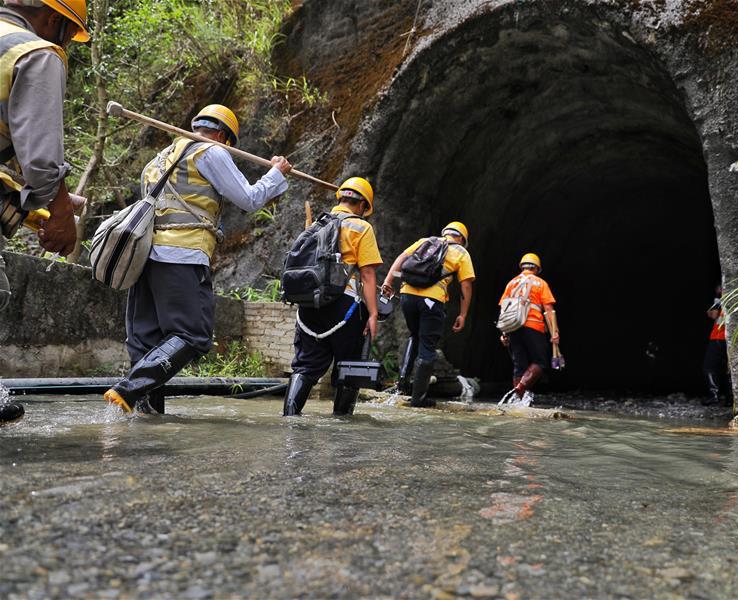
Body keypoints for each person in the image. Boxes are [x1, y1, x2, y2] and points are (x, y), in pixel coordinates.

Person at [104, 105, 293, 414]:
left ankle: (144, 418)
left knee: (146, 342)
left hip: (144, 260)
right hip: (181, 256)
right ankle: (129, 389)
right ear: (223, 136)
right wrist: (276, 172)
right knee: (193, 335)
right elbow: (250, 199)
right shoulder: (211, 152)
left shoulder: (159, 159)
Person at [0, 0, 90, 423]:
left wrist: (42, 203)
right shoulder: (35, 52)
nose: (68, 41)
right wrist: (58, 212)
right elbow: (40, 160)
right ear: (54, 18)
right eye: (71, 31)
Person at [282, 177, 382, 417]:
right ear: (362, 205)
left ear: (341, 198)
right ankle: (341, 427)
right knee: (348, 367)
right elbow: (367, 274)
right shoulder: (361, 227)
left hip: (310, 306)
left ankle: (290, 418)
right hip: (344, 308)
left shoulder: (316, 224)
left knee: (305, 366)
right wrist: (374, 313)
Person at [381, 222, 475, 407]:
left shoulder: (425, 241)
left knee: (415, 335)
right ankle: (418, 399)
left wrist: (387, 281)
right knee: (428, 346)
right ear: (462, 239)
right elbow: (466, 285)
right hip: (432, 300)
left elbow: (402, 257)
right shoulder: (462, 253)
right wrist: (463, 314)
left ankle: (402, 384)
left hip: (407, 295)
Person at [498, 253, 559, 401]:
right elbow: (549, 309)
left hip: (513, 326)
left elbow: (504, 309)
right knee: (540, 362)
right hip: (533, 325)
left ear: (522, 267)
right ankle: (520, 388)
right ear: (537, 268)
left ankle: (518, 400)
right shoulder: (540, 283)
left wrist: (504, 333)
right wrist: (554, 332)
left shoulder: (511, 283)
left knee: (519, 364)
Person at [703, 285, 732, 405]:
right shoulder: (735, 298)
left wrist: (717, 297)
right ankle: (729, 399)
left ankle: (714, 396)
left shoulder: (721, 300)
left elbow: (712, 314)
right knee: (727, 368)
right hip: (728, 339)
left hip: (718, 338)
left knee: (709, 367)